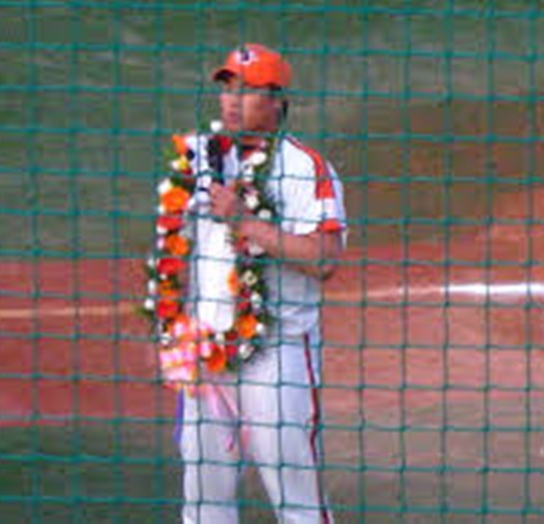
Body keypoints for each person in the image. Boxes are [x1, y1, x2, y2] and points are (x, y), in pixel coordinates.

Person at [175, 44, 347, 523]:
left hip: (276, 355)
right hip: (207, 350)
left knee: (298, 502)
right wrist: (176, 326)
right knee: (203, 500)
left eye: (247, 91)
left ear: (276, 101)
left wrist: (246, 223)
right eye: (227, 88)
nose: (232, 100)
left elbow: (325, 258)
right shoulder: (200, 161)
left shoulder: (305, 168)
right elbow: (181, 250)